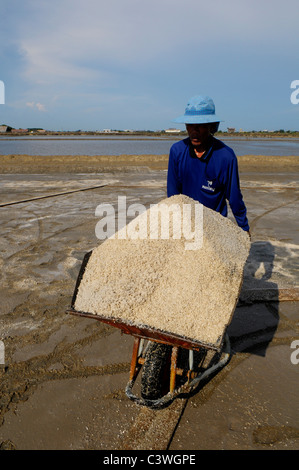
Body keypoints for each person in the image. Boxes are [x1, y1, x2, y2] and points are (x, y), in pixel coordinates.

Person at [167, 95, 250, 235]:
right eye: (190, 126)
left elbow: (234, 197)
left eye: (200, 126)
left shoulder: (226, 157)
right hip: (186, 226)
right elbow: (173, 195)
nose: (194, 131)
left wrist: (244, 227)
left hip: (214, 227)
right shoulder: (177, 151)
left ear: (211, 126)